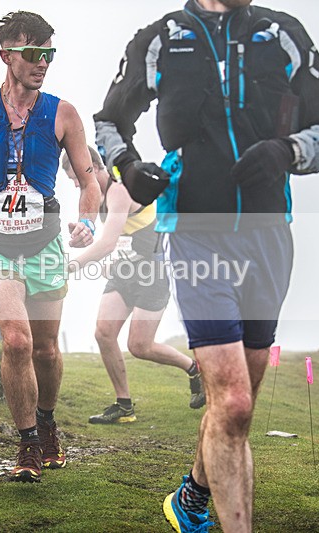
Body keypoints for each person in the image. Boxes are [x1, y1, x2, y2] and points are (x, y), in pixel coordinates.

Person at [95, 0, 319, 530]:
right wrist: (128, 167)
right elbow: (110, 121)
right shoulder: (162, 37)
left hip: (268, 235)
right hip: (194, 233)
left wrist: (288, 151)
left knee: (238, 405)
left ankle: (191, 495)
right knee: (232, 403)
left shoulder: (282, 33)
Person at [0, 11, 100, 483]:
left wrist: (87, 221)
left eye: (49, 54)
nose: (42, 63)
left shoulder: (63, 113)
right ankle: (27, 442)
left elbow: (90, 182)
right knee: (17, 340)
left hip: (46, 243)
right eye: (32, 53)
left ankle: (47, 426)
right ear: (6, 54)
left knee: (46, 350)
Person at [63, 147, 205, 425]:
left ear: (93, 166)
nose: (77, 185)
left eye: (78, 178)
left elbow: (107, 243)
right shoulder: (94, 194)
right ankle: (124, 405)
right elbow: (102, 238)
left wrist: (72, 266)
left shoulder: (119, 190)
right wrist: (80, 234)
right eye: (73, 182)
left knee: (139, 345)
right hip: (125, 271)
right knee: (103, 333)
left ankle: (194, 368)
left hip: (154, 272)